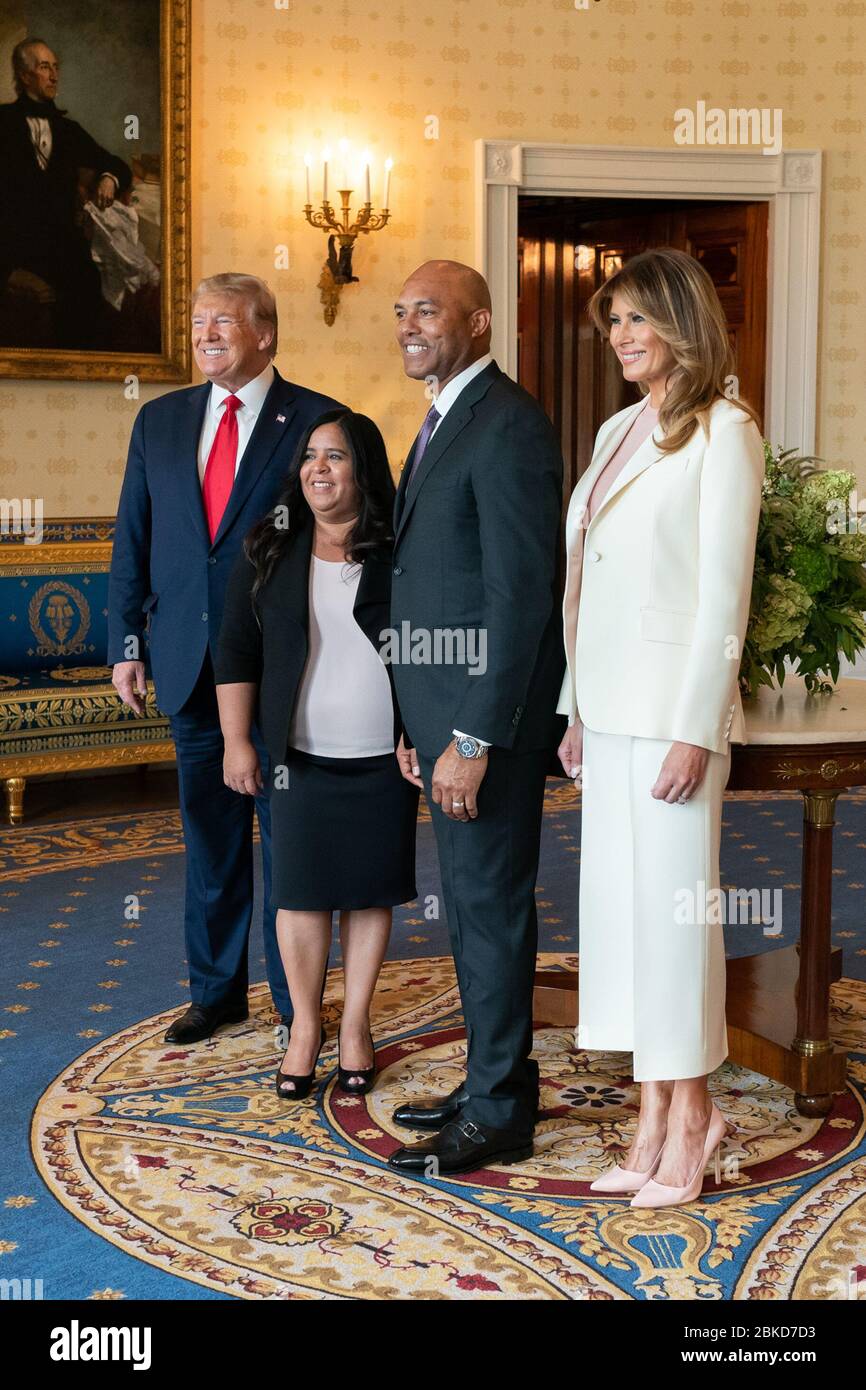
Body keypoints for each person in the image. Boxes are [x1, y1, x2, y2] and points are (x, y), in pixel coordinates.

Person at [556, 246, 764, 1208]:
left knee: (677, 924)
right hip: (607, 711)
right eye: (614, 322)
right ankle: (649, 1117)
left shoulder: (727, 432)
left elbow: (726, 596)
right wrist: (575, 710)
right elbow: (585, 583)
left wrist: (697, 726)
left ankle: (697, 1121)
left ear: (683, 324)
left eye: (637, 319)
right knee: (626, 923)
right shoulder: (611, 433)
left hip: (673, 715)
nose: (621, 337)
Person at [108, 273, 342, 1044]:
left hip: (282, 671)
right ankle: (216, 991)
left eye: (225, 321)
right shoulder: (161, 422)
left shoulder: (315, 419)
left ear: (266, 334)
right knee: (209, 839)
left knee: (288, 838)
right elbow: (133, 542)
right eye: (198, 320)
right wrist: (127, 645)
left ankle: (293, 1003)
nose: (206, 333)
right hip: (185, 662)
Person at [386, 260, 564, 1175]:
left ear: (482, 321)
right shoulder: (445, 417)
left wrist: (473, 736)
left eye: (431, 309)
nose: (411, 323)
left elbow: (519, 594)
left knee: (490, 910)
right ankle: (493, 1077)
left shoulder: (509, 425)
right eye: (402, 310)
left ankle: (500, 1109)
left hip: (485, 729)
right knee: (468, 909)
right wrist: (423, 727)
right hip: (445, 721)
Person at [214, 410, 419, 1099]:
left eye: (336, 457)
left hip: (383, 758)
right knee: (298, 894)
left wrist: (422, 728)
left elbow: (428, 648)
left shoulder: (401, 549)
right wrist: (239, 740)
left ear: (364, 469)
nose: (318, 469)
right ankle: (305, 1026)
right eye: (310, 457)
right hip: (293, 756)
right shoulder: (270, 548)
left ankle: (356, 1024)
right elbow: (236, 650)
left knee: (367, 890)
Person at [0, 38, 131, 349]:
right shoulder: (2, 122)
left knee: (87, 288)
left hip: (62, 246)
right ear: (24, 74)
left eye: (56, 67)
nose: (54, 76)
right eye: (45, 67)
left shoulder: (68, 130)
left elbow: (114, 163)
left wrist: (109, 179)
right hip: (11, 244)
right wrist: (8, 272)